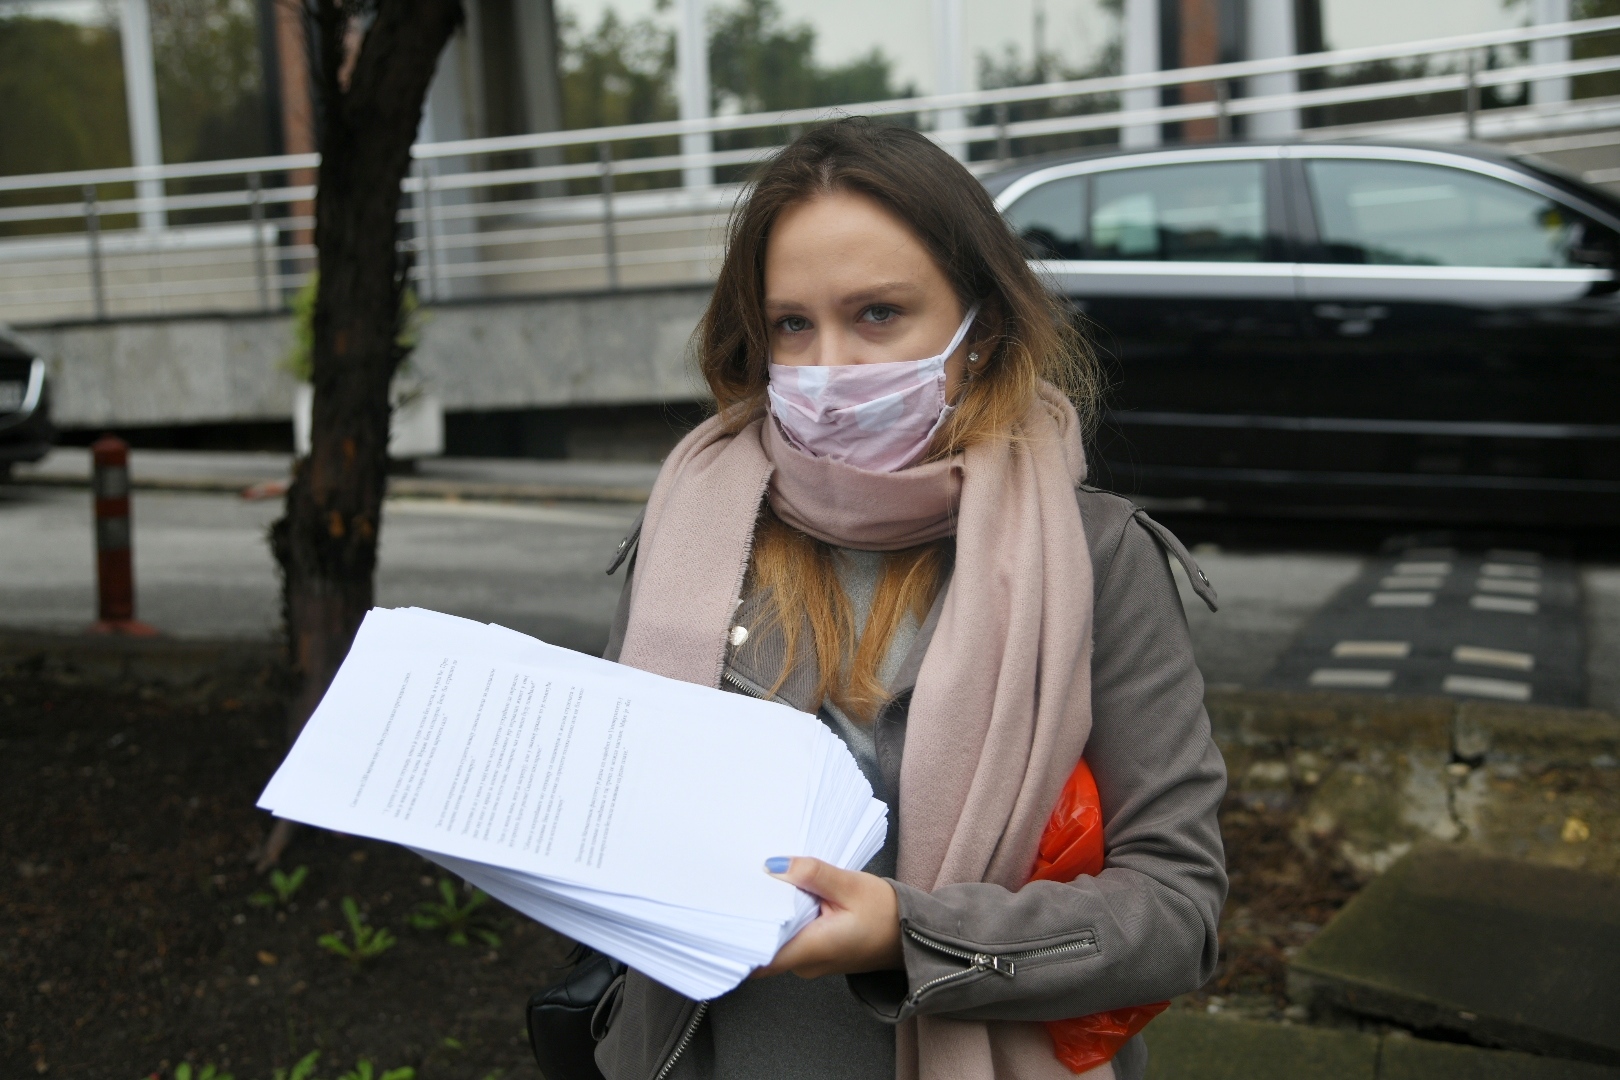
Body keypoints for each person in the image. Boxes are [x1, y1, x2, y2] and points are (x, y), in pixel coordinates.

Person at [593, 117, 1226, 1080]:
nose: (828, 367)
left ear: (982, 330)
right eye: (792, 325)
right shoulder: (688, 536)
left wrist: (915, 935)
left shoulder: (1098, 556)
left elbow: (1177, 910)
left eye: (878, 314)